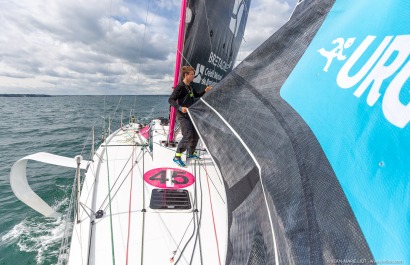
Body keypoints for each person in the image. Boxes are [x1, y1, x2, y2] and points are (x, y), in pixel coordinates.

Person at [168, 65, 212, 167]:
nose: (193, 76)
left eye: (193, 74)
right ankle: (177, 157)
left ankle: (191, 153)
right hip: (183, 115)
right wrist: (180, 107)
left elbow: (196, 95)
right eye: (192, 74)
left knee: (196, 134)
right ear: (186, 75)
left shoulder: (190, 87)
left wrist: (205, 91)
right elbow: (170, 100)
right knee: (187, 135)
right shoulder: (180, 87)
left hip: (190, 114)